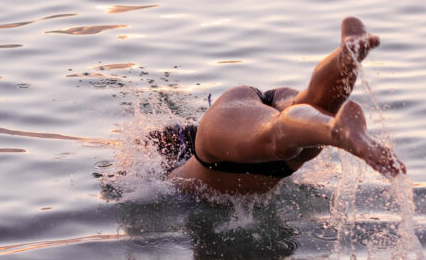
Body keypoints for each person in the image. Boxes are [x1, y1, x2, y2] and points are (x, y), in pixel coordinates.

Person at [149, 17, 405, 199]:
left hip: (229, 143)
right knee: (318, 102)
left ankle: (335, 128)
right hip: (281, 156)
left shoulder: (201, 150)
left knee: (276, 134)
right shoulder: (220, 137)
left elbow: (140, 173)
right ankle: (346, 56)